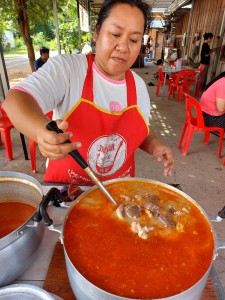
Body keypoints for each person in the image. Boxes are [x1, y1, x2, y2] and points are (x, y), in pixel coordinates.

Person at [3, 0, 174, 185]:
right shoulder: (68, 69)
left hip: (117, 195)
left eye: (133, 40)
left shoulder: (139, 86)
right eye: (115, 34)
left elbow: (140, 130)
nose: (124, 47)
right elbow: (16, 100)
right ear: (97, 32)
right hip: (67, 193)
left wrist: (156, 146)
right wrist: (40, 132)